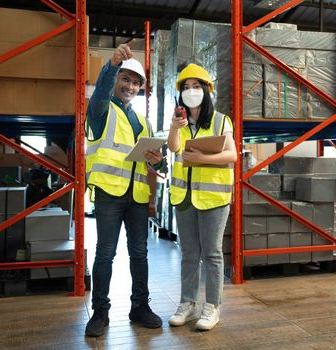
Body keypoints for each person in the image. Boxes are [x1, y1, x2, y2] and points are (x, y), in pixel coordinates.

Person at [85, 41, 164, 337]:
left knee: (140, 253)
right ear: (116, 80)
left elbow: (153, 165)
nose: (130, 86)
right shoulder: (101, 111)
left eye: (135, 82)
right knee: (105, 254)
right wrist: (111, 65)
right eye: (125, 79)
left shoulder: (143, 122)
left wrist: (158, 164)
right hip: (109, 193)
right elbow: (101, 94)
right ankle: (100, 312)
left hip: (138, 196)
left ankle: (140, 307)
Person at [167, 63, 237, 331]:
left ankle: (212, 306)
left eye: (196, 86)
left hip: (213, 198)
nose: (191, 91)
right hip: (184, 196)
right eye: (186, 87)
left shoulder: (221, 120)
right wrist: (174, 126)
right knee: (188, 253)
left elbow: (231, 155)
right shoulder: (180, 121)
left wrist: (203, 159)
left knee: (212, 253)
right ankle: (187, 303)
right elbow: (173, 147)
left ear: (206, 91)